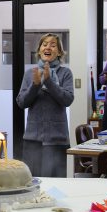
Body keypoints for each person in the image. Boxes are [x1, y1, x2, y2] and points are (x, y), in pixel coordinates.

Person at [16, 33, 74, 177]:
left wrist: (48, 82)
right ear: (40, 50)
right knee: (32, 182)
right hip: (32, 139)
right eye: (44, 44)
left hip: (57, 139)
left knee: (56, 183)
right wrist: (35, 86)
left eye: (53, 45)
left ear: (59, 52)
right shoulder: (31, 73)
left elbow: (67, 100)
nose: (48, 47)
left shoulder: (65, 73)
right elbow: (22, 102)